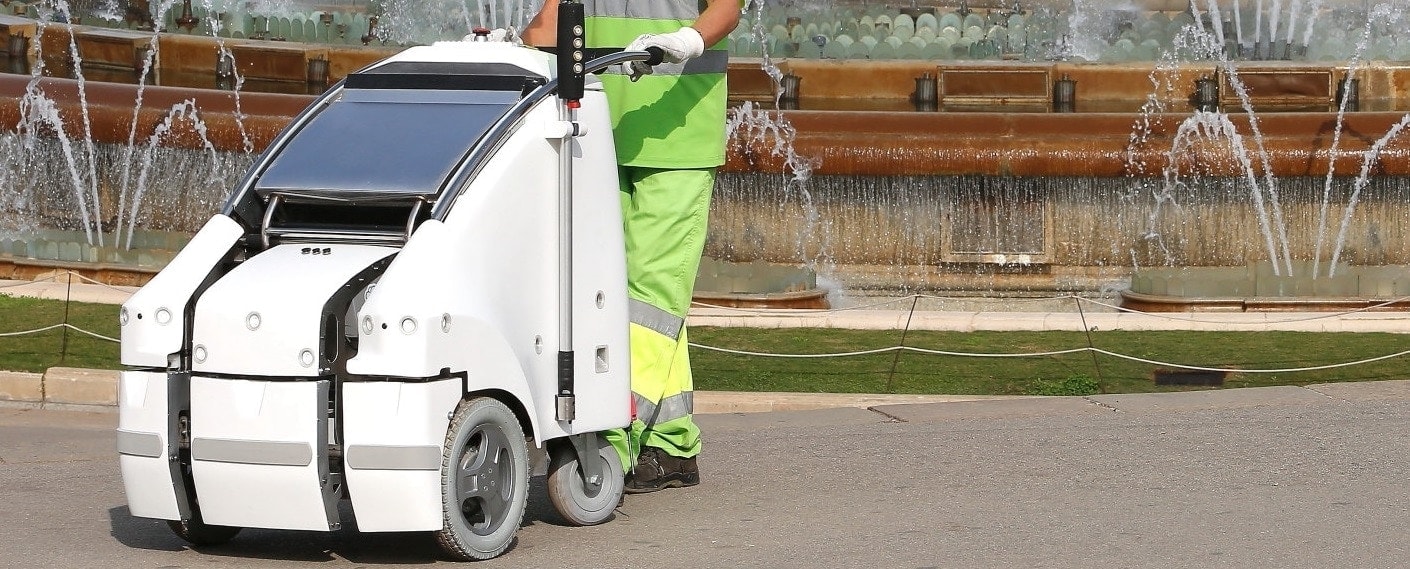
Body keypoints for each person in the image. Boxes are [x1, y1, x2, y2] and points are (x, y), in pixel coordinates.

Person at [522, 0, 739, 493]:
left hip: (680, 132)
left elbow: (727, 9)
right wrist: (504, 51)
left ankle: (611, 434)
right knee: (635, 299)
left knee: (650, 293)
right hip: (599, 130)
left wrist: (687, 40)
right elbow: (550, 22)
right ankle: (672, 442)